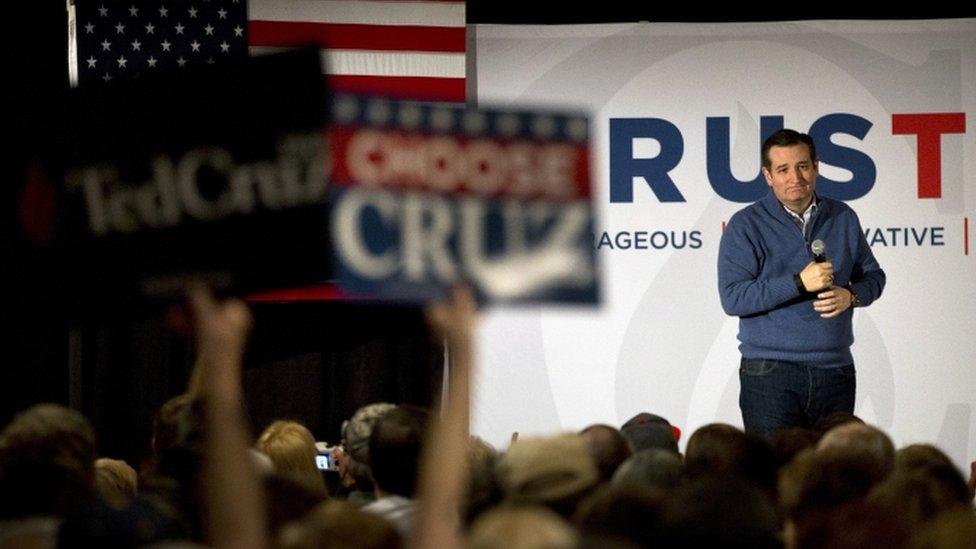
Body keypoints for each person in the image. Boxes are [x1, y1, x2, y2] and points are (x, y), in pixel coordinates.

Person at [717, 128, 886, 439]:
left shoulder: (843, 216)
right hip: (770, 374)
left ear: (816, 167)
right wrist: (798, 282)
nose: (795, 177)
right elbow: (733, 298)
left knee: (834, 479)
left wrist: (851, 295)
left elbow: (875, 277)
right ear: (768, 176)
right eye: (782, 170)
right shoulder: (746, 225)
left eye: (802, 166)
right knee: (775, 480)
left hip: (835, 370)